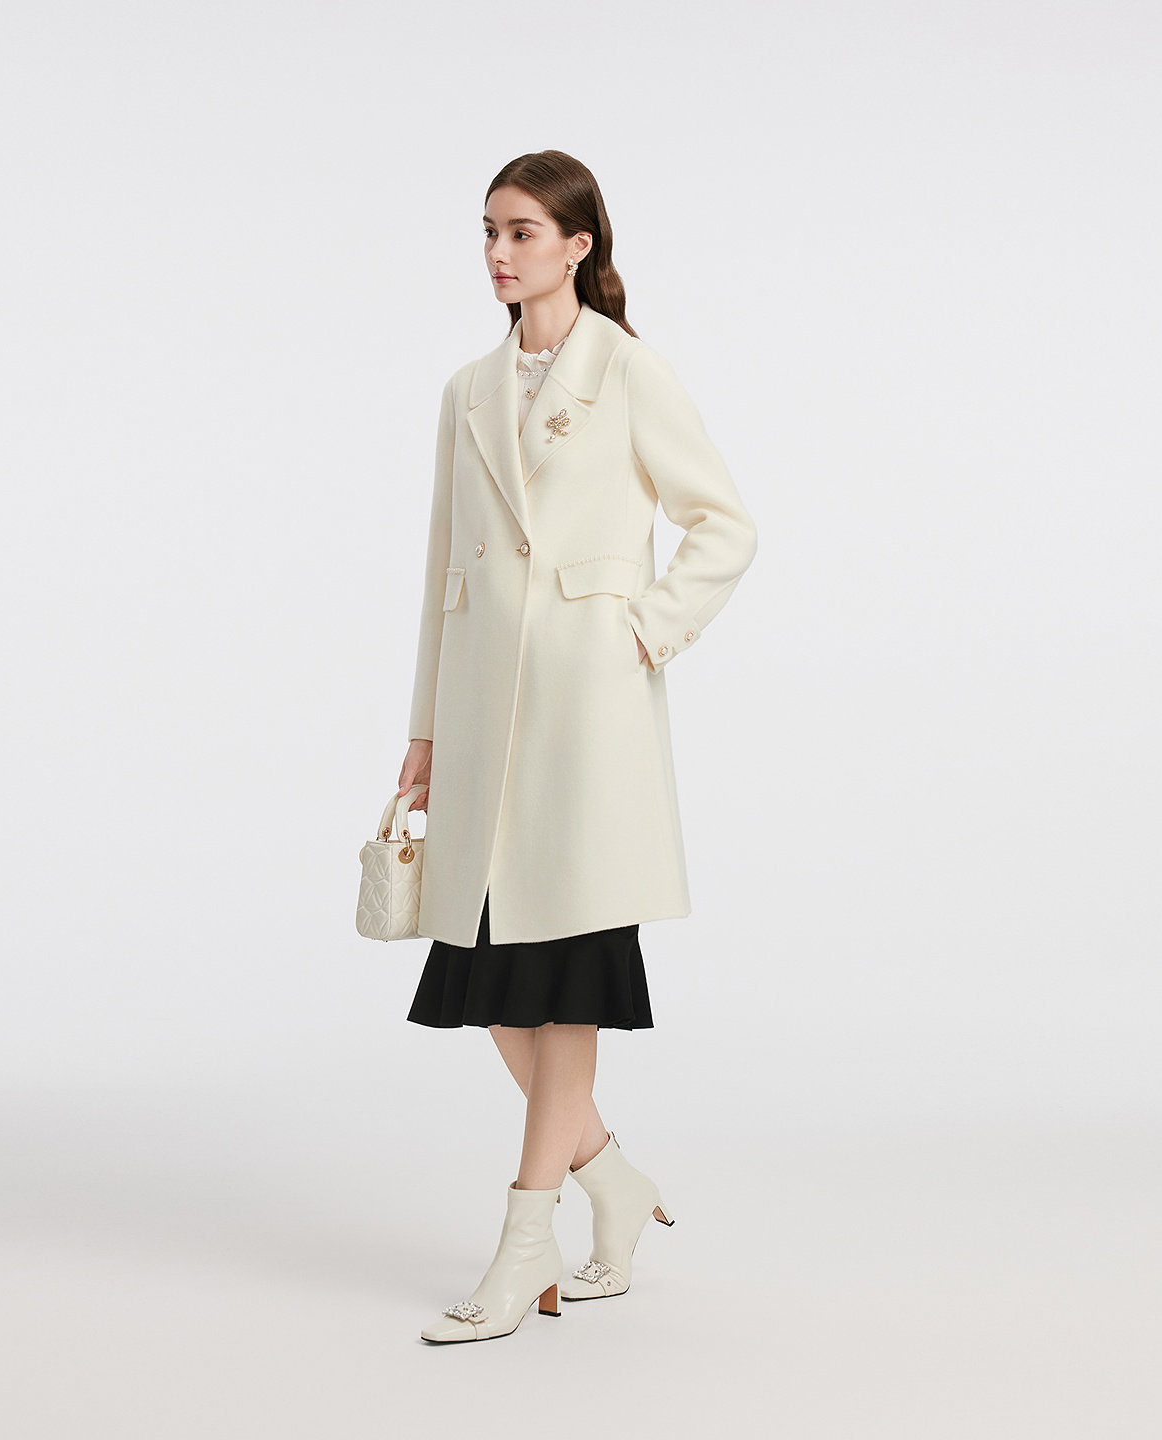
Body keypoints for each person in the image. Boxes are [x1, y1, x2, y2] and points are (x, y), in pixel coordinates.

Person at [396, 150, 758, 1344]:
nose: (498, 254)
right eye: (488, 231)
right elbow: (442, 573)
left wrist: (642, 632)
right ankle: (613, 1179)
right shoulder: (466, 390)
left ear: (577, 244)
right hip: (482, 713)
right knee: (488, 978)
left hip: (586, 723)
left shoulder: (627, 370)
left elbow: (723, 524)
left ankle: (524, 1248)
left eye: (520, 232)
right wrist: (424, 730)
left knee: (564, 986)